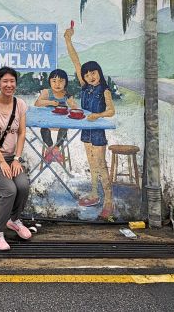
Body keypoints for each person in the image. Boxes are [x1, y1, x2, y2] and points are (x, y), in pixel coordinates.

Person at [64, 25, 116, 220]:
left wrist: (98, 114)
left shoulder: (105, 90)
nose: (89, 76)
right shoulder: (85, 87)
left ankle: (109, 201)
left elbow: (112, 111)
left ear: (99, 73)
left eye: (93, 73)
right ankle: (94, 194)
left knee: (101, 165)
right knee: (92, 164)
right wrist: (68, 40)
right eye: (86, 75)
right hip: (86, 130)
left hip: (97, 131)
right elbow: (76, 61)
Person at [0, 66, 32, 251]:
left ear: (16, 84)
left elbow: (22, 132)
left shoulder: (20, 105)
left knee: (23, 185)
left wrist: (16, 159)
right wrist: (2, 161)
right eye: (5, 81)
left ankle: (14, 220)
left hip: (12, 158)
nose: (9, 85)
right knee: (9, 189)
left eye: (12, 81)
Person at [34, 69, 77, 164]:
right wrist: (50, 102)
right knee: (44, 128)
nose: (57, 84)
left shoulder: (66, 94)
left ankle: (56, 148)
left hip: (61, 122)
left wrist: (71, 101)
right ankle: (50, 147)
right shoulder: (46, 92)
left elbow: (74, 107)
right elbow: (37, 103)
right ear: (49, 81)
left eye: (61, 81)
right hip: (48, 121)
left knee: (65, 127)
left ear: (65, 83)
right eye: (54, 81)